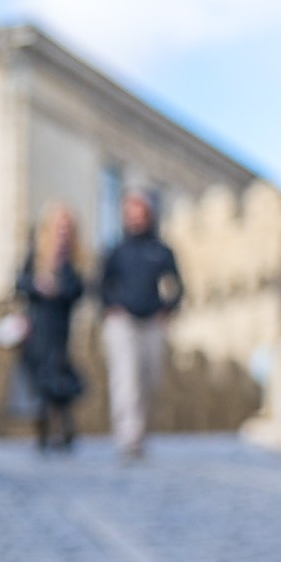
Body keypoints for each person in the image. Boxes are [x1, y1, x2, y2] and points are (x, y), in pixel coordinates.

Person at [98, 188, 183, 460]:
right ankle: (128, 438)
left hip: (152, 323)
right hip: (123, 323)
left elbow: (177, 286)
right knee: (126, 379)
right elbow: (100, 284)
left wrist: (167, 309)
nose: (135, 219)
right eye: (130, 213)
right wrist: (111, 307)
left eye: (140, 213)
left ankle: (141, 433)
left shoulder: (160, 251)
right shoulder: (116, 251)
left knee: (148, 379)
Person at [14, 203, 86, 449]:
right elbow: (19, 283)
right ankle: (43, 427)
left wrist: (59, 289)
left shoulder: (75, 259)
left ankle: (63, 425)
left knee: (60, 376)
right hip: (37, 325)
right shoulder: (36, 256)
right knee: (39, 377)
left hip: (60, 326)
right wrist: (37, 286)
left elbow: (80, 289)